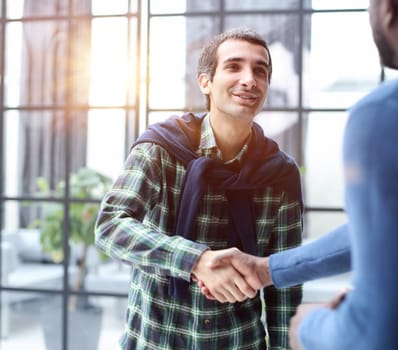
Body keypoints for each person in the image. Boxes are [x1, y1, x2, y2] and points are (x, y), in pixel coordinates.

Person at [199, 1, 398, 349]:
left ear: (389, 8)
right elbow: (392, 226)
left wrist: (308, 326)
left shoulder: (388, 114)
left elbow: (382, 337)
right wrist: (267, 269)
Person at [94, 27, 304, 350]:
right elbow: (109, 226)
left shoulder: (281, 174)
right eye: (234, 66)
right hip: (155, 341)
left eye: (260, 71)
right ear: (205, 82)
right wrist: (195, 261)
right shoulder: (160, 149)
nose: (249, 79)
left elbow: (284, 286)